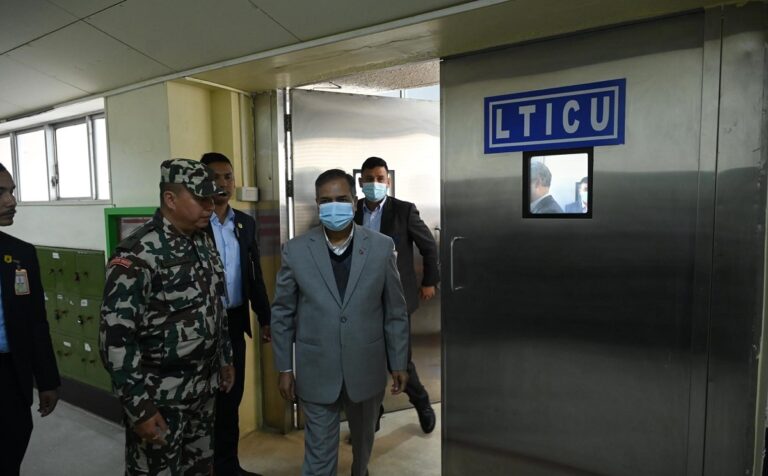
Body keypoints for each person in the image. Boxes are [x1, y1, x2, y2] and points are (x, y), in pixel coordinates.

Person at [100, 159, 235, 476]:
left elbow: (216, 305)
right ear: (170, 199)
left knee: (200, 468)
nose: (210, 206)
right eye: (200, 198)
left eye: (211, 197)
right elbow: (115, 340)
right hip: (159, 398)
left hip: (202, 391)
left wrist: (225, 357)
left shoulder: (202, 241)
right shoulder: (137, 254)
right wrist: (139, 408)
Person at [271, 169, 410, 476]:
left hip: (366, 367)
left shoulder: (381, 246)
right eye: (326, 201)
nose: (334, 206)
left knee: (363, 444)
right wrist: (284, 368)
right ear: (317, 204)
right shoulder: (296, 250)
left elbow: (395, 311)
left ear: (355, 201)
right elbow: (282, 313)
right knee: (319, 457)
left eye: (342, 199)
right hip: (317, 369)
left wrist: (399, 361)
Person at [353, 156, 439, 434]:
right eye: (369, 179)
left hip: (396, 298)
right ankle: (373, 414)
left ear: (388, 181)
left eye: (380, 178)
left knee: (399, 360)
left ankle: (421, 401)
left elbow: (429, 246)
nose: (374, 183)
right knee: (366, 361)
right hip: (360, 300)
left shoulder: (404, 210)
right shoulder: (351, 210)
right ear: (360, 181)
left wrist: (429, 281)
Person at [200, 152, 271, 476]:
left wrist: (265, 317)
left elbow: (254, 275)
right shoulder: (196, 223)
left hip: (234, 321)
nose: (222, 183)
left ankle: (228, 466)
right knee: (206, 401)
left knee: (232, 398)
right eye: (214, 177)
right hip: (200, 327)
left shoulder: (244, 223)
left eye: (227, 176)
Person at [0, 163, 60, 476]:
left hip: (11, 373)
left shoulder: (21, 254)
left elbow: (37, 322)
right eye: (1, 192)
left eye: (11, 191)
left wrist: (47, 380)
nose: (11, 201)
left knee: (10, 450)